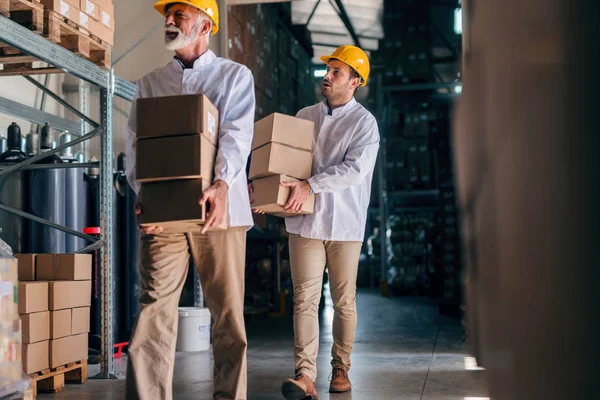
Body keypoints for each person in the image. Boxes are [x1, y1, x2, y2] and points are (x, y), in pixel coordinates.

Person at [124, 1, 255, 399]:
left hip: (220, 212)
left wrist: (222, 183)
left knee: (227, 317)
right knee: (153, 314)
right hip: (164, 217)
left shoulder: (234, 76)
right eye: (168, 14)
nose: (168, 21)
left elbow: (236, 134)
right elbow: (135, 147)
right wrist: (143, 194)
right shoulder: (149, 83)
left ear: (205, 26)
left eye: (178, 15)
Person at [252, 45, 380, 399]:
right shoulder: (305, 115)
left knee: (344, 301)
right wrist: (269, 193)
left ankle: (341, 368)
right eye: (328, 70)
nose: (328, 76)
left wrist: (310, 185)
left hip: (344, 224)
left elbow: (354, 170)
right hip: (304, 223)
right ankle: (305, 374)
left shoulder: (364, 123)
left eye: (337, 72)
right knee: (305, 299)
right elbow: (289, 164)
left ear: (355, 82)